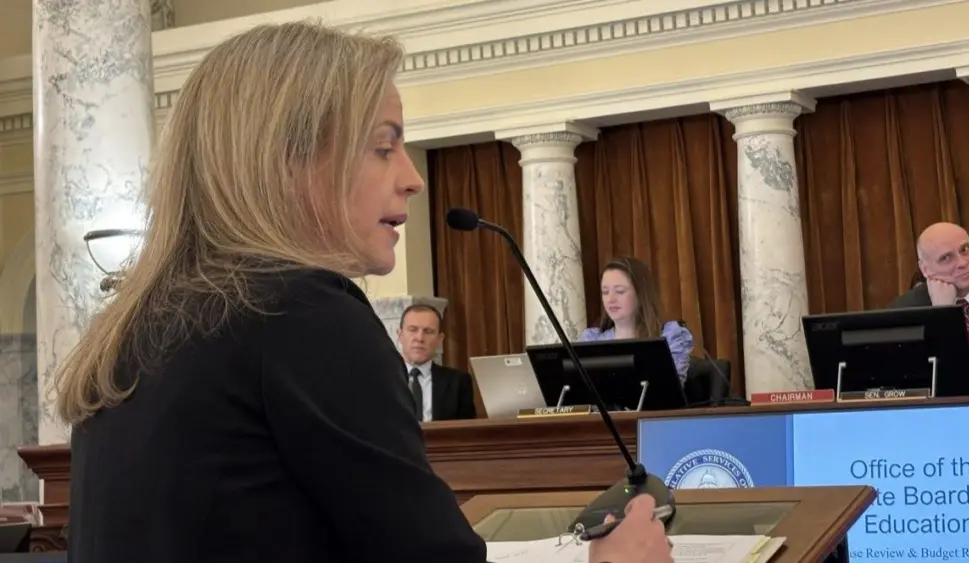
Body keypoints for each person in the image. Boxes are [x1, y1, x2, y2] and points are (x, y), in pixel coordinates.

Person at [54, 22, 672, 563]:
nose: (411, 179)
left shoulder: (134, 324)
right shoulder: (300, 313)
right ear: (290, 160)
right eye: (384, 147)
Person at [889, 222, 969, 395]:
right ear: (925, 269)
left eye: (965, 249)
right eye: (946, 258)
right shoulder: (903, 310)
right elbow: (902, 384)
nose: (963, 262)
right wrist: (943, 314)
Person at [579, 257, 695, 384]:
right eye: (605, 292)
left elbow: (670, 389)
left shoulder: (671, 336)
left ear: (640, 294)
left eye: (620, 291)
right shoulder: (591, 340)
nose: (610, 299)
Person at [397, 303, 476, 421]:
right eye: (412, 330)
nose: (419, 338)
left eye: (428, 331)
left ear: (440, 339)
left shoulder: (458, 382)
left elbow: (467, 432)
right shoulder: (382, 379)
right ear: (400, 335)